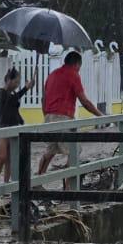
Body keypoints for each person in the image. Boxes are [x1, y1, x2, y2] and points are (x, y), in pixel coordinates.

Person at [38, 50, 101, 178]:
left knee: (50, 151)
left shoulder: (52, 75)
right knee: (74, 151)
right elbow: (84, 101)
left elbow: (43, 99)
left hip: (48, 117)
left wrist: (46, 115)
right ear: (77, 64)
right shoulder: (73, 75)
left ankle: (37, 182)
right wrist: (100, 115)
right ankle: (68, 188)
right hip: (64, 119)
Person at [0, 66, 35, 187]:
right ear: (9, 80)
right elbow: (10, 102)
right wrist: (26, 88)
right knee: (2, 157)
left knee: (10, 159)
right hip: (2, 128)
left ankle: (6, 185)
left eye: (18, 83)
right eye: (16, 82)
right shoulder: (0, 93)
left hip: (13, 128)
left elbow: (13, 108)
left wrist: (20, 120)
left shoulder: (13, 94)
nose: (17, 85)